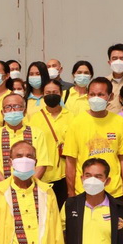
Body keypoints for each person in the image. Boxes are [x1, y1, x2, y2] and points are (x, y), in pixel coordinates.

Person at [64, 77, 123, 198]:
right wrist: (70, 191)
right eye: (92, 94)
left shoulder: (120, 123)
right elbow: (70, 160)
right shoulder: (76, 123)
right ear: (87, 96)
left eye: (100, 95)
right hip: (84, 190)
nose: (96, 98)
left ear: (110, 96)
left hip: (114, 191)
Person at [27, 79, 72, 207]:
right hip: (42, 174)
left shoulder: (72, 117)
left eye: (55, 92)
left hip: (65, 174)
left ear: (61, 94)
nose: (51, 95)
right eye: (48, 93)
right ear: (43, 94)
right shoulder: (35, 118)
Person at [0, 93, 51, 184]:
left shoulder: (37, 133)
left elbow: (42, 164)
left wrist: (29, 185)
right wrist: (8, 188)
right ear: (2, 113)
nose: (12, 110)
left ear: (24, 111)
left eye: (17, 106)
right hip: (2, 188)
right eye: (8, 107)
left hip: (32, 187)